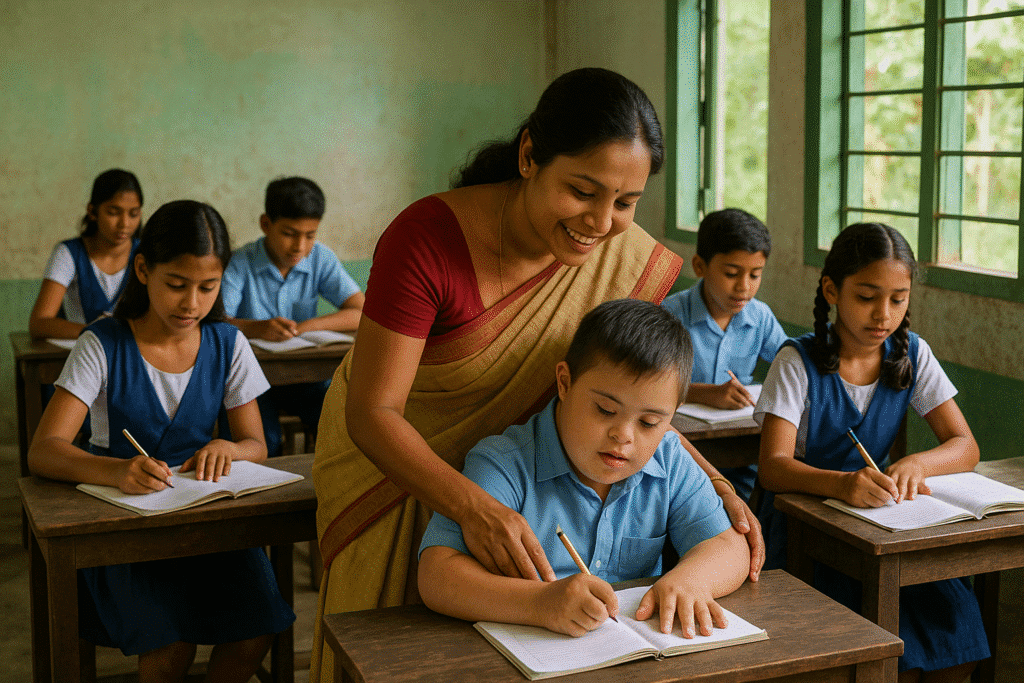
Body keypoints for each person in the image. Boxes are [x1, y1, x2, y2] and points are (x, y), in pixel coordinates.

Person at [311, 67, 763, 682]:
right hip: (396, 476)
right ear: (529, 155)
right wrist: (474, 509)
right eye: (583, 191)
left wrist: (718, 486)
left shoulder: (623, 258)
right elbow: (373, 412)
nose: (601, 223)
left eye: (625, 202)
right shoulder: (425, 239)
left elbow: (628, 402)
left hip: (512, 495)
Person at [27, 200, 295, 683]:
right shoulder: (102, 342)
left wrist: (229, 449)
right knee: (169, 647)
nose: (191, 303)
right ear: (144, 270)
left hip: (209, 524)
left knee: (257, 629)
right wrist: (115, 470)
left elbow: (256, 443)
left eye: (207, 287)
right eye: (176, 285)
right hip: (127, 530)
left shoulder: (227, 343)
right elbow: (45, 448)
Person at [418, 300, 749, 637]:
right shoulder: (504, 463)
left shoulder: (669, 460)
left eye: (649, 422)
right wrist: (539, 603)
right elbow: (437, 575)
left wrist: (690, 580)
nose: (624, 435)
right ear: (564, 383)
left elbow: (730, 546)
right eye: (605, 410)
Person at [755, 223, 988, 682]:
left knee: (957, 625)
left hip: (883, 523)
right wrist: (841, 483)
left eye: (898, 299)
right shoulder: (796, 362)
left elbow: (966, 446)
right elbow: (772, 468)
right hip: (804, 528)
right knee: (871, 647)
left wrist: (919, 463)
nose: (883, 314)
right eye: (866, 296)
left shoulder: (912, 354)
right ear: (832, 291)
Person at [222, 176, 364, 456]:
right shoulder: (241, 262)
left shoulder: (320, 258)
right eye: (289, 233)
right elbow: (214, 322)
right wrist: (256, 328)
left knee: (340, 429)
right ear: (266, 224)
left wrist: (307, 326)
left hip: (306, 378)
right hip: (253, 378)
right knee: (266, 443)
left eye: (310, 235)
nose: (300, 245)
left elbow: (362, 311)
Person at [661, 208, 786, 500]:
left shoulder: (760, 317)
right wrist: (707, 394)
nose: (744, 287)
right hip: (680, 450)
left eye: (755, 275)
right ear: (700, 266)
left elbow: (792, 364)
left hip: (741, 449)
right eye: (731, 273)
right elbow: (645, 385)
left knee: (753, 504)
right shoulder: (670, 315)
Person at [29, 169, 144, 340]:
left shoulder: (146, 254)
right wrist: (99, 333)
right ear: (92, 212)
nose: (125, 223)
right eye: (113, 212)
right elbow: (39, 323)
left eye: (134, 214)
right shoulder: (69, 253)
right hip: (80, 354)